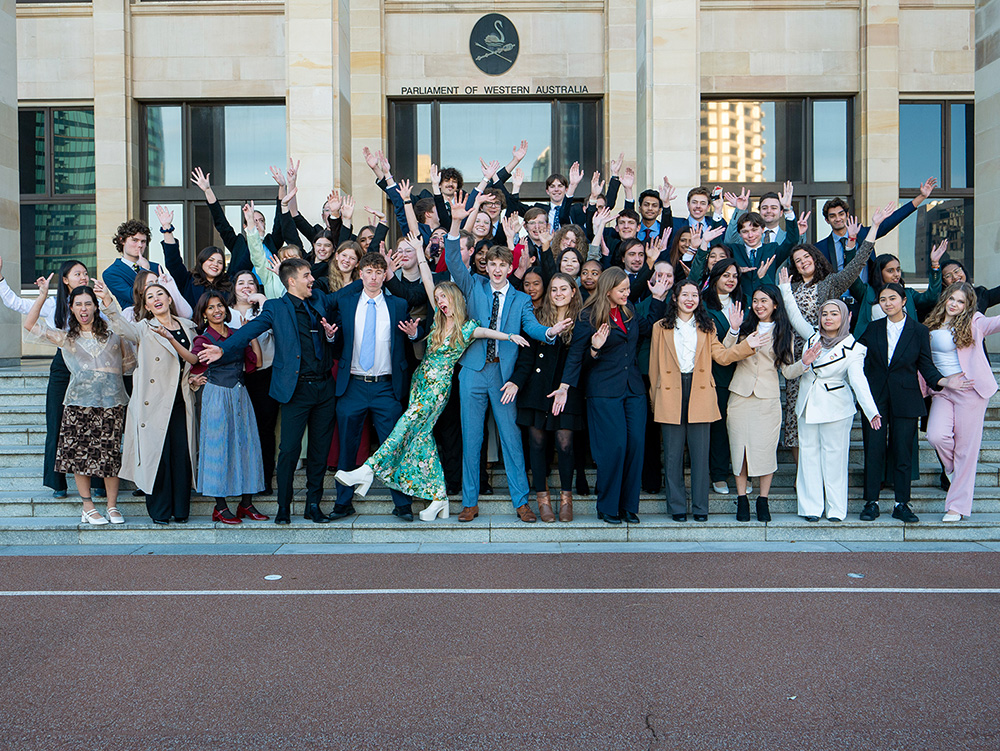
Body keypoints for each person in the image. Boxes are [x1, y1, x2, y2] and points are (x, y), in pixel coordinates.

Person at [444, 194, 572, 523]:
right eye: (493, 265)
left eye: (503, 265)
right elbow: (453, 261)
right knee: (472, 438)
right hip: (472, 371)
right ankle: (469, 501)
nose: (498, 269)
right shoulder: (473, 286)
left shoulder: (520, 299)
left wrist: (551, 331)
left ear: (510, 267)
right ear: (486, 266)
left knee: (511, 439)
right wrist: (456, 224)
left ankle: (521, 501)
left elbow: (531, 328)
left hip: (505, 377)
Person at [198, 258, 337, 525]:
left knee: (320, 451)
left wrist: (330, 336)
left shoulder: (319, 300)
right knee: (288, 451)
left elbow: (338, 312)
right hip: (295, 390)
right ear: (292, 281)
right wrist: (223, 349)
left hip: (324, 388)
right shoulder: (275, 307)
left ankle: (313, 505)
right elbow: (249, 330)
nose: (312, 280)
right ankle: (283, 507)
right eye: (307, 275)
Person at [551, 267, 671, 524]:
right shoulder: (588, 317)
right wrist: (593, 350)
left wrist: (659, 300)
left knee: (635, 446)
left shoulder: (629, 313)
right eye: (622, 290)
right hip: (604, 392)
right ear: (608, 290)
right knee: (613, 448)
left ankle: (628, 506)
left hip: (633, 391)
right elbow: (576, 357)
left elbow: (649, 327)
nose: (627, 293)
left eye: (628, 288)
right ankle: (607, 506)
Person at [779, 204, 891, 462]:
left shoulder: (830, 283)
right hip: (797, 353)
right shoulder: (789, 285)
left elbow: (857, 264)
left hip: (825, 351)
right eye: (798, 261)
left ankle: (823, 465)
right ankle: (802, 471)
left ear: (815, 258)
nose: (803, 262)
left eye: (807, 257)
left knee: (819, 412)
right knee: (796, 415)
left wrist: (873, 228)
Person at [856, 283, 971, 523]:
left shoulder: (918, 331)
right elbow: (858, 361)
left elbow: (926, 365)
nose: (888, 303)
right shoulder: (872, 328)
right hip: (875, 399)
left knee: (903, 451)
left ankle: (901, 503)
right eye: (883, 299)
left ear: (903, 300)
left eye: (893, 298)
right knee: (874, 449)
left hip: (906, 399)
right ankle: (871, 502)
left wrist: (944, 382)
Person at [648, 280, 757, 521]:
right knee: (673, 456)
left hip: (700, 391)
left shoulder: (707, 327)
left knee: (700, 455)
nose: (690, 299)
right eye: (684, 294)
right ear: (674, 298)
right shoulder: (660, 327)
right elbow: (654, 365)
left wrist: (747, 346)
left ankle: (700, 508)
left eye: (694, 295)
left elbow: (722, 356)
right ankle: (676, 507)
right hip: (669, 391)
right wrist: (656, 400)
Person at [95, 280, 200, 524]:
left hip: (182, 399)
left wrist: (195, 378)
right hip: (153, 402)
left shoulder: (188, 327)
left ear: (170, 299)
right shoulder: (144, 328)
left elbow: (192, 361)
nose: (156, 299)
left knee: (181, 455)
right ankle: (161, 512)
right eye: (150, 297)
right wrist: (108, 301)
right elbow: (122, 328)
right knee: (158, 457)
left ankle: (181, 510)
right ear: (147, 306)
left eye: (160, 294)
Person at [23, 281, 129, 525]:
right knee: (80, 458)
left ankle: (112, 506)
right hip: (78, 404)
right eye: (78, 304)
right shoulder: (66, 338)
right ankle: (88, 506)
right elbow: (29, 325)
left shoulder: (114, 335)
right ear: (71, 308)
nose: (83, 309)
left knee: (110, 457)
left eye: (88, 304)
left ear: (95, 307)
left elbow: (129, 362)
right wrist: (41, 297)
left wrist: (109, 300)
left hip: (112, 404)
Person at [0, 257, 106, 498]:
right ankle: (57, 482)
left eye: (85, 272)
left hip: (93, 364)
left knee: (94, 422)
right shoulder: (52, 304)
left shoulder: (95, 302)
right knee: (56, 421)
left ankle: (99, 481)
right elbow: (14, 303)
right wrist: (2, 279)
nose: (83, 276)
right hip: (63, 363)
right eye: (77, 274)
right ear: (65, 279)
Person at [327, 252, 421, 521]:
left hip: (385, 387)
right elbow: (336, 338)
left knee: (393, 446)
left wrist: (414, 334)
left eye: (379, 272)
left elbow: (409, 337)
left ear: (385, 276)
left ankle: (402, 504)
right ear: (360, 274)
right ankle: (343, 503)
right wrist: (331, 338)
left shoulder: (398, 304)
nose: (373, 277)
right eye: (368, 271)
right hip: (353, 385)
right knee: (347, 446)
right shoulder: (345, 303)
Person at [780, 290, 881, 522]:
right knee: (808, 457)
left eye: (834, 313)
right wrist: (785, 288)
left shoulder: (854, 348)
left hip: (836, 408)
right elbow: (795, 317)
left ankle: (836, 509)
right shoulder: (812, 337)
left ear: (846, 317)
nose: (828, 318)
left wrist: (871, 411)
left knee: (835, 459)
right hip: (807, 404)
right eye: (824, 313)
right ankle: (810, 508)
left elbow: (858, 381)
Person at [504, 273, 584, 522]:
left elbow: (580, 360)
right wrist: (516, 382)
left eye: (563, 289)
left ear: (573, 291)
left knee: (565, 444)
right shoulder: (537, 318)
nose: (558, 293)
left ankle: (566, 500)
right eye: (554, 289)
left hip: (566, 390)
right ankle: (543, 500)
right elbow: (527, 356)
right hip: (537, 390)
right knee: (537, 444)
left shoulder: (583, 320)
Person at [723, 287, 805, 522]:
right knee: (740, 450)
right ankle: (742, 500)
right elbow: (725, 354)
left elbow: (788, 371)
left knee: (766, 451)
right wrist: (734, 329)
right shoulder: (745, 328)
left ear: (775, 304)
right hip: (740, 397)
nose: (759, 305)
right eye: (756, 300)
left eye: (764, 301)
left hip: (767, 400)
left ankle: (763, 500)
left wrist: (804, 363)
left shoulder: (784, 332)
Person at [923, 283, 1000, 521]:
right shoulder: (931, 324)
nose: (955, 305)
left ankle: (956, 507)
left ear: (968, 306)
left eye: (961, 302)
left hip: (970, 390)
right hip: (943, 390)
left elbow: (996, 322)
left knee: (967, 450)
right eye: (952, 299)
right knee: (935, 435)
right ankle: (954, 471)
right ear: (945, 299)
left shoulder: (974, 322)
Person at [189, 292, 268, 524]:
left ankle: (246, 504)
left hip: (240, 393)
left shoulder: (236, 335)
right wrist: (194, 379)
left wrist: (249, 333)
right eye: (211, 308)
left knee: (248, 446)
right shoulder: (202, 340)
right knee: (217, 449)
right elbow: (194, 365)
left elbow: (258, 363)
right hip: (217, 394)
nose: (217, 310)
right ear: (204, 313)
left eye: (220, 306)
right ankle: (220, 507)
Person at [229, 271, 278, 496]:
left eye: (251, 282)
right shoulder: (224, 312)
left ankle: (264, 480)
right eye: (241, 283)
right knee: (236, 430)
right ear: (234, 287)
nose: (246, 286)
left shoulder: (266, 311)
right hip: (232, 378)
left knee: (264, 430)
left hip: (263, 376)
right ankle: (237, 480)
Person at [702, 259, 745, 494]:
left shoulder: (744, 303)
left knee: (740, 426)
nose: (730, 280)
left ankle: (741, 473)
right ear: (716, 277)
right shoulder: (705, 307)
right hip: (717, 374)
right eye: (725, 275)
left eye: (734, 276)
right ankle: (719, 474)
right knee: (719, 426)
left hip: (743, 373)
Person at [155, 205, 234, 308]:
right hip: (194, 324)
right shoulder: (188, 280)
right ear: (202, 262)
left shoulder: (229, 284)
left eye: (220, 262)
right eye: (211, 260)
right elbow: (173, 262)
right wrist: (167, 229)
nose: (215, 264)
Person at [101, 219, 160, 308]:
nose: (140, 245)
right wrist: (145, 271)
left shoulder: (155, 267)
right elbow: (133, 297)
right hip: (134, 319)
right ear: (122, 241)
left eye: (143, 241)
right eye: (135, 240)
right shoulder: (111, 273)